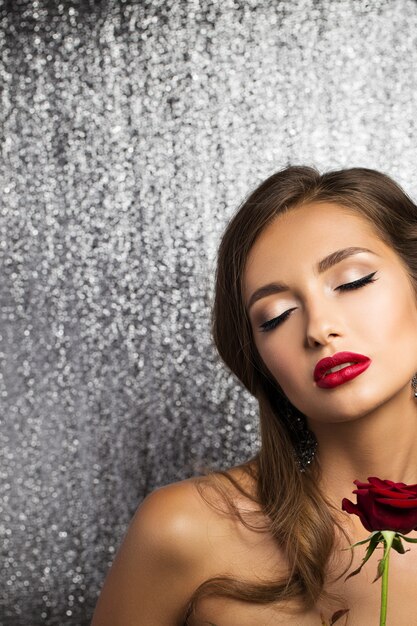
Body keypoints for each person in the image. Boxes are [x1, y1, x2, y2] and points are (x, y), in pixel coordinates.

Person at [91, 166, 417, 625]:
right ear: (258, 356)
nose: (320, 329)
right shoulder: (183, 530)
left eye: (353, 281)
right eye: (276, 315)